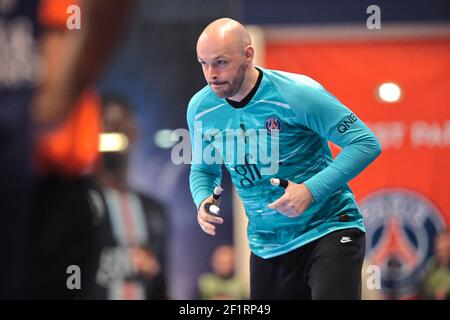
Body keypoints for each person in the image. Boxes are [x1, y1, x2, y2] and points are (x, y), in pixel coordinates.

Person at [187, 18, 382, 300]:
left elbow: (365, 143)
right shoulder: (200, 108)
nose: (211, 74)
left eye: (220, 62)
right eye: (203, 63)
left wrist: (310, 191)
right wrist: (203, 200)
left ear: (248, 55)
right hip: (267, 246)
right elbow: (203, 170)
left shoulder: (298, 93)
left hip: (328, 229)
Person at [91, 95, 168, 300]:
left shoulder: (153, 212)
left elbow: (160, 285)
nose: (113, 135)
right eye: (106, 127)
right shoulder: (77, 205)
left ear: (135, 132)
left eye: (120, 127)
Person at [418, 230, 450, 300]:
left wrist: (446, 293)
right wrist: (434, 294)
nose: (443, 252)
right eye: (441, 249)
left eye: (446, 248)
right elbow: (422, 290)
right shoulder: (431, 265)